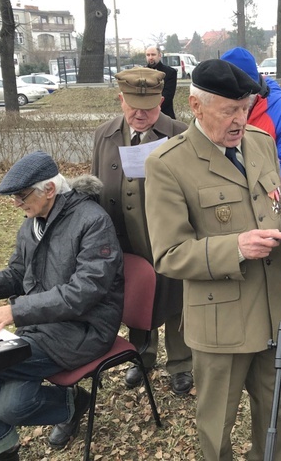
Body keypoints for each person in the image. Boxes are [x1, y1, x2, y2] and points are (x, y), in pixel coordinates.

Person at [144, 59, 281, 461]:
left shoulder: (260, 142)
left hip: (273, 312)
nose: (240, 119)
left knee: (276, 415)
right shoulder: (168, 164)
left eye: (245, 108)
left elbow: (272, 210)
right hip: (219, 324)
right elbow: (169, 255)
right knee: (216, 426)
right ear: (195, 105)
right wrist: (236, 247)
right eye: (229, 110)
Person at [0, 151, 124, 461]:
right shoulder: (33, 221)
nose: (16, 204)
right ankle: (74, 403)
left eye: (21, 196)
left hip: (83, 331)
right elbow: (17, 274)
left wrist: (15, 311)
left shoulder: (92, 221)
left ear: (49, 189)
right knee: (10, 406)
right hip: (40, 326)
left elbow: (84, 292)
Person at [92, 67, 193, 395]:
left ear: (161, 102)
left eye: (148, 108)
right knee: (138, 296)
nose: (140, 114)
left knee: (176, 299)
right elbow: (95, 184)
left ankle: (181, 362)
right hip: (125, 239)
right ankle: (143, 356)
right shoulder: (104, 134)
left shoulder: (181, 133)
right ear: (121, 100)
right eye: (133, 106)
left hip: (169, 238)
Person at [220, 46, 281, 195]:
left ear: (258, 87)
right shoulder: (211, 110)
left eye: (245, 94)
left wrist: (268, 188)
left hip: (271, 201)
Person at [146, 45, 177, 118]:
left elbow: (167, 96)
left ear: (159, 55)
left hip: (165, 116)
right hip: (145, 117)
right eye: (148, 55)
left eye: (153, 54)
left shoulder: (170, 72)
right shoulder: (141, 73)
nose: (150, 57)